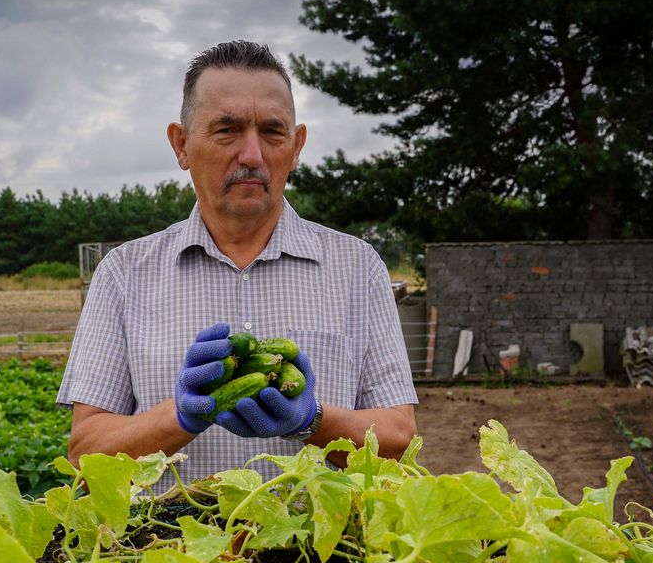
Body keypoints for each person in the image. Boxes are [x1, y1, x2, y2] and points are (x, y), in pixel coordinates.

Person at [57, 40, 417, 484]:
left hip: (325, 549)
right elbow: (86, 454)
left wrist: (313, 420)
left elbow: (400, 441)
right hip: (163, 549)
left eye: (272, 131)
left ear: (297, 145)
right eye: (227, 130)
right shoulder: (124, 273)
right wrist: (181, 416)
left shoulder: (357, 267)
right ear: (182, 144)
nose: (252, 155)